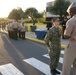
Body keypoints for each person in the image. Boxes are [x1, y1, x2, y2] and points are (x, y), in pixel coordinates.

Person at [62, 2, 76, 75]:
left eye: (69, 13)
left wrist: (64, 32)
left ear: (72, 12)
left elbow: (66, 36)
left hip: (72, 45)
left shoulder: (71, 21)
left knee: (66, 66)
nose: (69, 14)